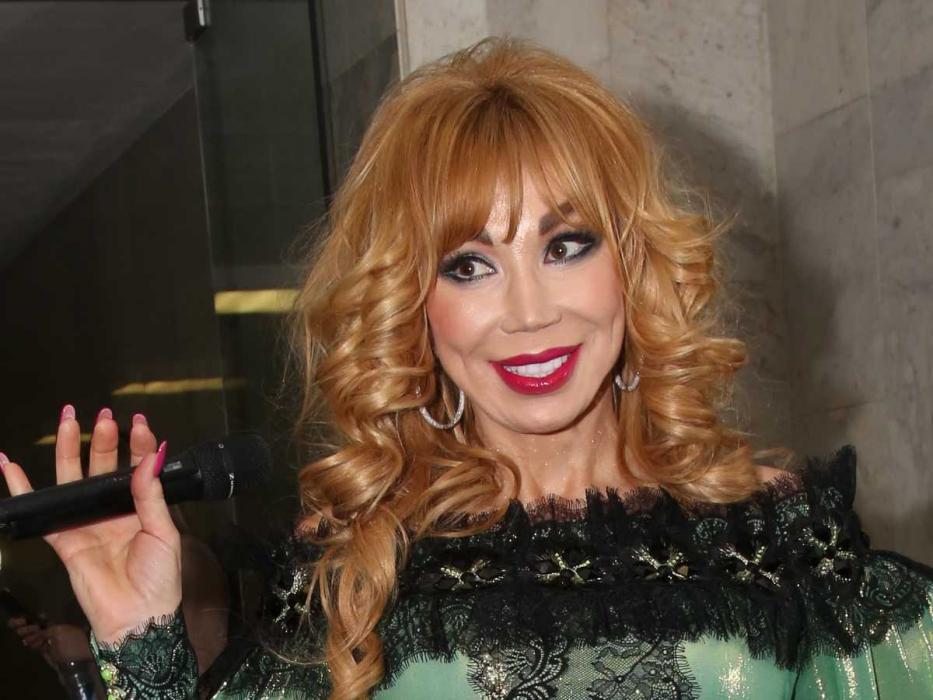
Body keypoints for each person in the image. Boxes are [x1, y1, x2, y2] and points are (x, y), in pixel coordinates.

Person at [2, 36, 932, 699]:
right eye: (468, 265)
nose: (528, 312)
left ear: (632, 266)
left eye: (565, 245)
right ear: (413, 306)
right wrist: (135, 639)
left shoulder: (776, 536)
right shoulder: (357, 565)